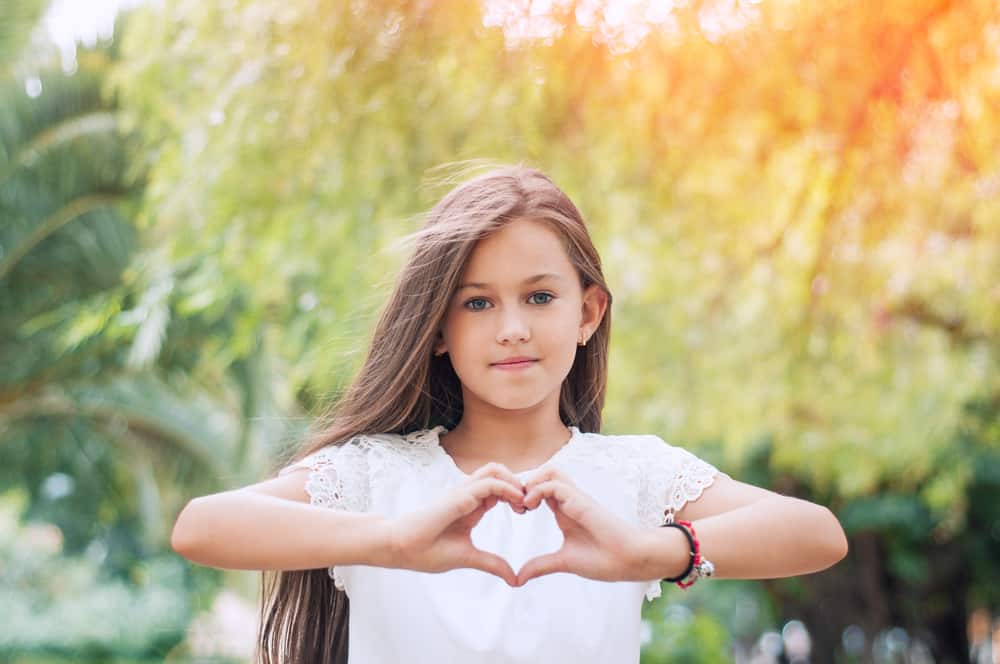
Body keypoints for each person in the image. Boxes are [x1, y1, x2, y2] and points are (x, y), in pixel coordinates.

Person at [170, 164, 849, 664]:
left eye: (540, 297)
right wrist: (390, 543)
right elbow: (203, 528)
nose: (513, 328)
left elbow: (816, 534)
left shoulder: (633, 475)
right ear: (437, 328)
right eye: (477, 303)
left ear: (588, 313)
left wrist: (652, 552)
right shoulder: (375, 480)